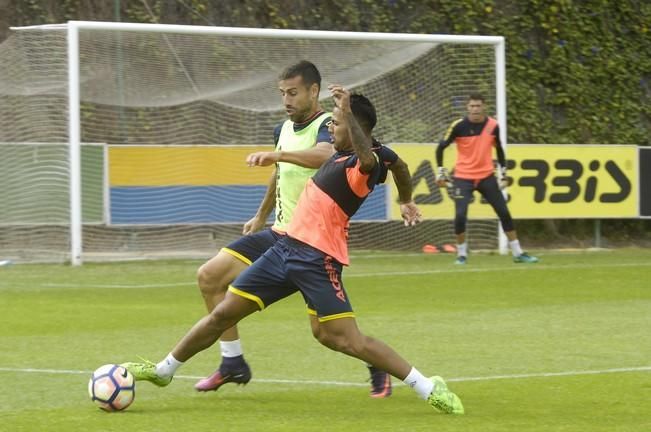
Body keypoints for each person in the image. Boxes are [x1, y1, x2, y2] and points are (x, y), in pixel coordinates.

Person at [122, 86, 463, 415]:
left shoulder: (365, 164)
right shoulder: (368, 152)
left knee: (346, 340)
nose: (330, 126)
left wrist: (349, 118)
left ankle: (427, 386)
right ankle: (164, 370)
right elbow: (401, 167)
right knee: (224, 313)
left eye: (337, 122)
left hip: (317, 261)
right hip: (283, 250)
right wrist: (406, 200)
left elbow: (373, 159)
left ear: (357, 129)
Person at [193, 60, 421, 398]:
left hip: (313, 243)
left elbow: (324, 155)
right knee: (210, 277)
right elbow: (280, 171)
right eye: (282, 93)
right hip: (279, 233)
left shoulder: (331, 126)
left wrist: (278, 154)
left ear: (314, 91)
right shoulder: (281, 129)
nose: (286, 100)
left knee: (329, 334)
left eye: (293, 92)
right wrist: (260, 215)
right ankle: (232, 363)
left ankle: (377, 362)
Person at [435, 93, 538, 265]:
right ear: (467, 107)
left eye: (478, 106)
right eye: (472, 106)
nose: (475, 109)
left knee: (504, 213)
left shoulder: (493, 126)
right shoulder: (458, 126)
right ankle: (461, 255)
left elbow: (500, 151)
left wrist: (503, 172)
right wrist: (441, 172)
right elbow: (441, 148)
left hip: (486, 176)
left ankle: (518, 253)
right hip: (463, 177)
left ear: (484, 107)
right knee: (460, 216)